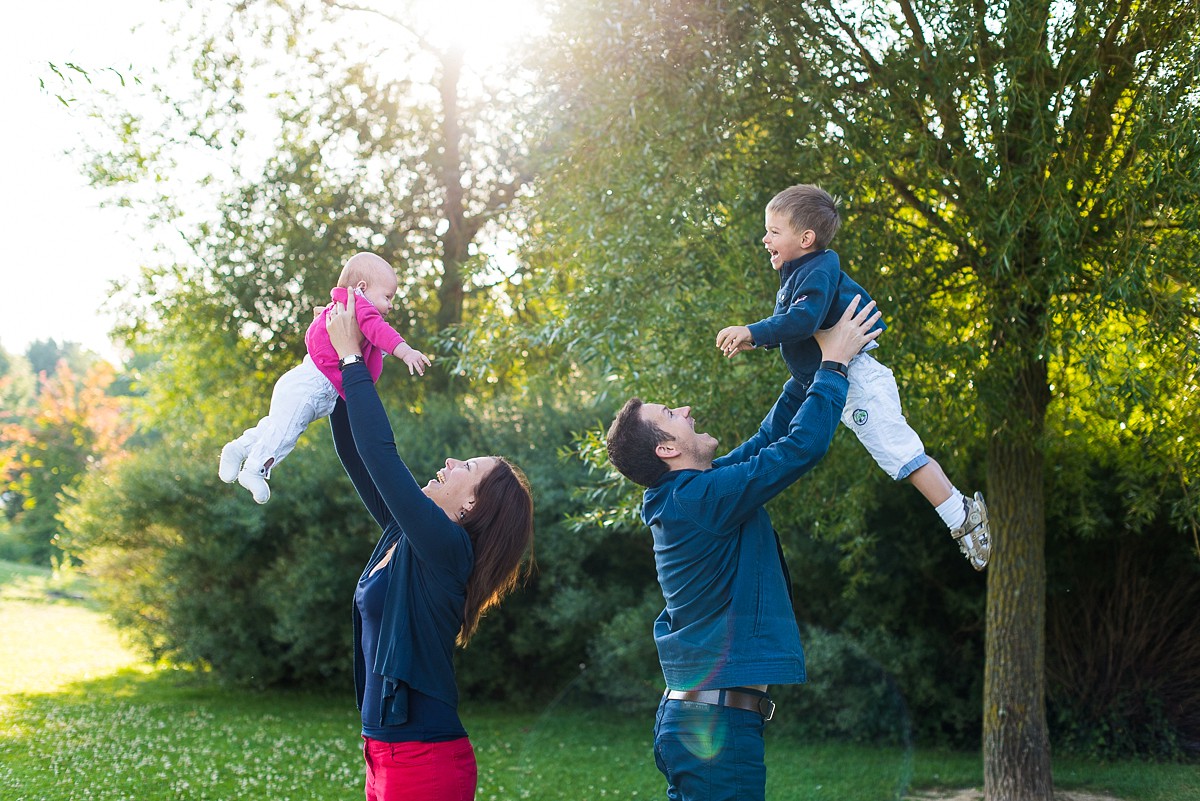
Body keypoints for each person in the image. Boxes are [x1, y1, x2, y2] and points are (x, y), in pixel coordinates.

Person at [606, 298, 880, 801]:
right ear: (666, 449)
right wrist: (836, 365)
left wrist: (807, 370)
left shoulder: (691, 495)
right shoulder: (699, 499)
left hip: (703, 720)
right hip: (715, 727)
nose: (685, 409)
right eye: (672, 414)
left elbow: (768, 438)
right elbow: (798, 449)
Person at [324, 288, 535, 801]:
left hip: (425, 760)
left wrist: (354, 357)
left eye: (466, 468)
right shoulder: (405, 536)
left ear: (469, 510)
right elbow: (357, 452)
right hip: (383, 752)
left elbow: (382, 455)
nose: (448, 464)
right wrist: (334, 365)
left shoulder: (448, 550)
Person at [715, 184, 990, 570]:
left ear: (805, 238)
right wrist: (759, 340)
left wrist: (753, 331)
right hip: (813, 376)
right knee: (772, 433)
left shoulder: (820, 267)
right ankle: (713, 476)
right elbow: (797, 326)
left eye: (774, 232)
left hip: (854, 377)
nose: (765, 239)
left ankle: (960, 515)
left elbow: (804, 320)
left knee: (897, 453)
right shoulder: (797, 271)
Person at [219, 252, 432, 503]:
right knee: (286, 433)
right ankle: (254, 470)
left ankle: (239, 448)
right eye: (387, 297)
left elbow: (374, 342)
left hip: (305, 383)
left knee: (275, 426)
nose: (391, 305)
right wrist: (405, 351)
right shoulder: (358, 307)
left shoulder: (345, 311)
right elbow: (379, 331)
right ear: (362, 289)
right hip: (309, 387)